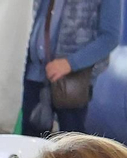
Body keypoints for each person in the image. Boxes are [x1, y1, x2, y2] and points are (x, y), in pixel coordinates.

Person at [22, 0, 120, 135]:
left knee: (71, 146)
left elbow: (110, 38)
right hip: (35, 75)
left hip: (72, 82)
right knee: (30, 143)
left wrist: (70, 63)